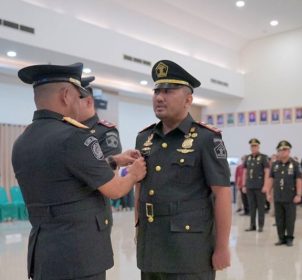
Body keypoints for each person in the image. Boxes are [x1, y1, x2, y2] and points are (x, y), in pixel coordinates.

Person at [12, 63, 147, 280]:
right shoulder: (75, 136)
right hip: (78, 256)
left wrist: (112, 160)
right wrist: (134, 173)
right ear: (66, 95)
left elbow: (67, 174)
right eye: (78, 95)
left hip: (43, 254)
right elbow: (114, 190)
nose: (79, 101)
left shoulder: (22, 141)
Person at [135, 60, 231, 279]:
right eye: (157, 91)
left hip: (189, 251)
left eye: (168, 91)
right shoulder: (144, 138)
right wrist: (138, 229)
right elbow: (140, 187)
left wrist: (222, 247)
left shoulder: (207, 138)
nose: (159, 97)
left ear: (189, 99)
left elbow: (222, 193)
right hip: (151, 247)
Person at [78, 76, 124, 216]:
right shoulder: (65, 129)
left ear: (88, 101)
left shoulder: (105, 131)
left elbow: (108, 174)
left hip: (92, 212)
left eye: (75, 100)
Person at [266, 140, 302, 246]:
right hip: (278, 196)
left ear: (289, 151)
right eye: (280, 150)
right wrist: (268, 193)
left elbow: (299, 180)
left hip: (291, 197)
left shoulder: (295, 164)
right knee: (279, 219)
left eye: (285, 150)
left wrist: (299, 194)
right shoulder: (275, 165)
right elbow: (271, 179)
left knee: (290, 219)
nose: (283, 152)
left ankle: (290, 238)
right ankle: (281, 238)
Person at [243, 138, 270, 232]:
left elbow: (267, 172)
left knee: (261, 207)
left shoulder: (263, 157)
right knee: (252, 206)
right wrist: (244, 185)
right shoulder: (248, 157)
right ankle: (252, 225)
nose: (253, 148)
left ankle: (261, 225)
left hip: (260, 186)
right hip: (250, 186)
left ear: (258, 147)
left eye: (255, 146)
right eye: (252, 146)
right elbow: (245, 172)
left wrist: (266, 185)